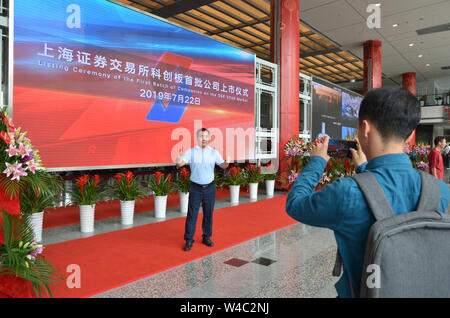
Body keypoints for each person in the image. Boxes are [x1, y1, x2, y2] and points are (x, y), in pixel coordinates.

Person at [286, 87, 450, 298]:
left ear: (364, 128)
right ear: (409, 137)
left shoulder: (347, 192)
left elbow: (295, 204)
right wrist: (365, 169)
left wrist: (317, 162)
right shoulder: (440, 190)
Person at [176, 128, 229, 251]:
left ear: (209, 138)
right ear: (197, 138)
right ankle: (189, 240)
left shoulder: (214, 153)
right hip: (195, 188)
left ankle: (206, 237)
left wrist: (228, 162)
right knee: (192, 215)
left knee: (208, 214)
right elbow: (180, 164)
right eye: (201, 136)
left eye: (206, 136)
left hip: (209, 188)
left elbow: (223, 165)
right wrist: (178, 160)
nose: (203, 138)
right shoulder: (191, 152)